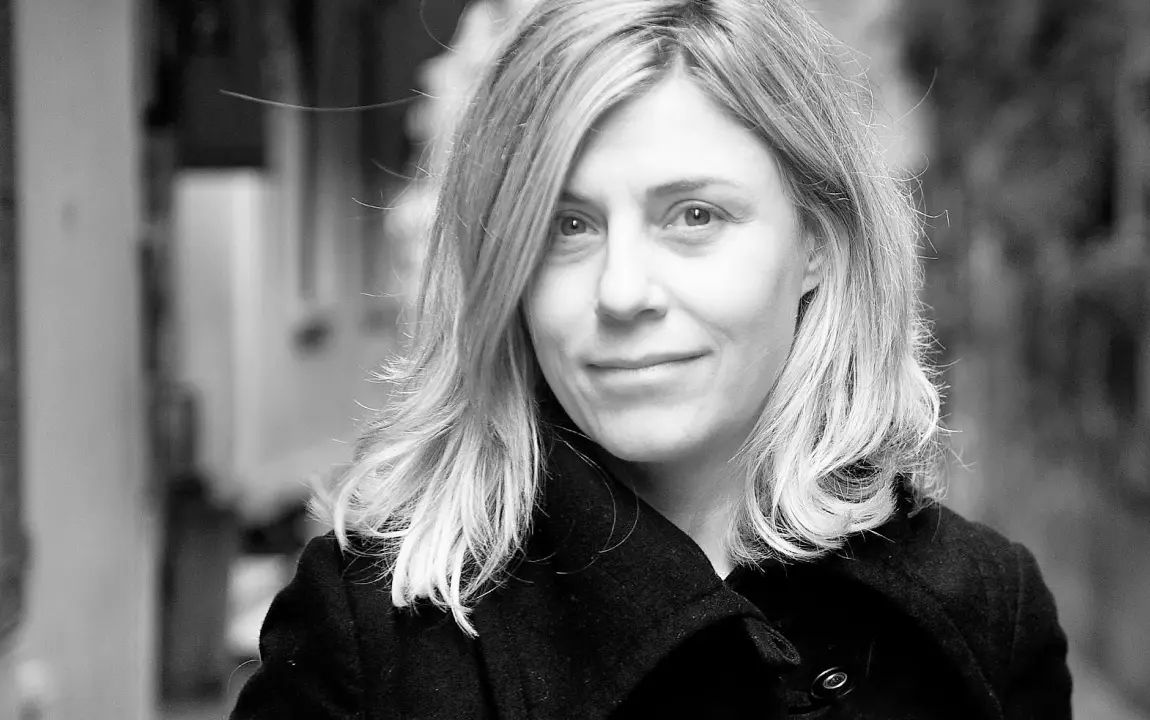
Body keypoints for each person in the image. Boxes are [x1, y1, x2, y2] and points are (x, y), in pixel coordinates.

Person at [231, 0, 1073, 717]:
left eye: (694, 216)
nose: (622, 291)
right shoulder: (369, 636)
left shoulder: (984, 613)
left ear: (817, 244)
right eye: (566, 225)